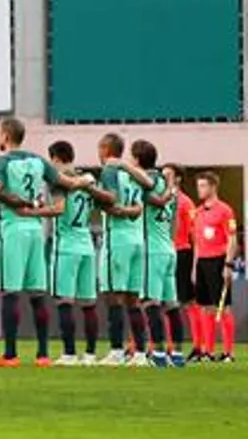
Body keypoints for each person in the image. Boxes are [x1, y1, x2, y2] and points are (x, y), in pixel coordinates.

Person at [0, 118, 90, 367]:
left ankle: (10, 355)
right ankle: (43, 354)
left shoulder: (2, 161)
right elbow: (69, 183)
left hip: (12, 228)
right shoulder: (38, 161)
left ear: (5, 136)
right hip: (35, 229)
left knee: (10, 292)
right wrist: (86, 180)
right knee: (36, 293)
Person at [29, 141, 98, 366]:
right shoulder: (87, 179)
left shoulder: (59, 180)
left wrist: (34, 211)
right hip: (87, 245)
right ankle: (90, 354)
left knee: (64, 302)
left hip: (66, 247)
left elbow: (59, 209)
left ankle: (69, 353)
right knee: (88, 304)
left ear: (55, 158)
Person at [96, 133, 150, 365]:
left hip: (117, 239)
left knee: (114, 296)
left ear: (106, 149)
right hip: (137, 238)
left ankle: (117, 351)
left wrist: (95, 197)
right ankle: (139, 354)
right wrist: (132, 210)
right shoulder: (134, 174)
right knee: (133, 299)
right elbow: (141, 200)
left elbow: (112, 201)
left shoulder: (110, 170)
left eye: (100, 149)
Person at [133, 141, 184, 365]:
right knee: (171, 304)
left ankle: (160, 354)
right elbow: (174, 220)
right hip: (168, 248)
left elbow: (153, 201)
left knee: (150, 302)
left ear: (137, 159)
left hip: (151, 249)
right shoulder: (167, 184)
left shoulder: (147, 183)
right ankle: (178, 354)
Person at [191, 171, 238, 362]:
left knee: (224, 307)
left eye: (203, 186)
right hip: (202, 262)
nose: (199, 190)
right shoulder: (198, 212)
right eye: (198, 186)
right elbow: (197, 242)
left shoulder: (226, 210)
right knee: (205, 307)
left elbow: (232, 238)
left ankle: (228, 352)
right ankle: (207, 351)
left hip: (218, 261)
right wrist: (195, 267)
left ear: (212, 187)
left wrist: (228, 264)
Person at [168, 165, 199, 352]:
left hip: (181, 252)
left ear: (178, 178)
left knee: (185, 300)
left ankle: (197, 345)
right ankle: (162, 344)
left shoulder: (186, 203)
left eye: (168, 174)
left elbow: (194, 233)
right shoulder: (161, 198)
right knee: (160, 299)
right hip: (163, 251)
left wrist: (195, 262)